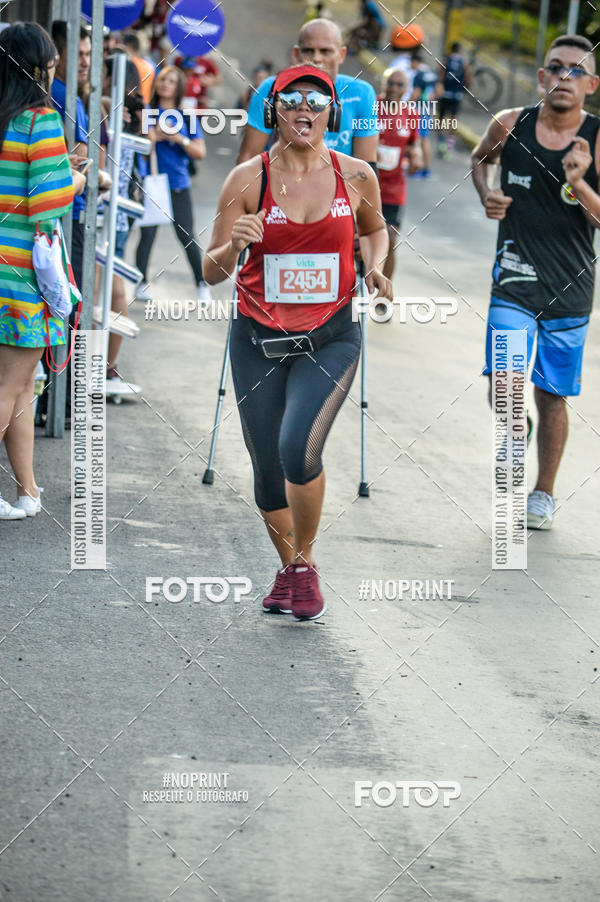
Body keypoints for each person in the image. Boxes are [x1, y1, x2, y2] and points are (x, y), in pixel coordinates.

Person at [203, 65, 392, 620]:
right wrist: (233, 245)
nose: (303, 109)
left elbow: (375, 229)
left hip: (331, 336)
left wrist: (376, 267)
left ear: (331, 112)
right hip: (258, 339)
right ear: (274, 111)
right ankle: (291, 570)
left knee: (297, 448)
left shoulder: (356, 174)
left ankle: (304, 566)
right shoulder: (247, 178)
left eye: (316, 100)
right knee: (265, 465)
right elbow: (213, 271)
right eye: (291, 100)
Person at [471, 34, 600, 530]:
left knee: (551, 396)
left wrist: (581, 181)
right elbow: (481, 159)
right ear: (542, 76)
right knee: (503, 386)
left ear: (591, 84)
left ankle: (542, 494)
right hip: (514, 281)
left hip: (571, 289)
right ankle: (512, 425)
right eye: (556, 68)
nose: (564, 77)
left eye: (575, 70)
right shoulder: (511, 124)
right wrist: (488, 194)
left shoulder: (596, 140)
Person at [0, 22, 84, 519]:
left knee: (21, 385)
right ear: (37, 68)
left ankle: (28, 490)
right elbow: (46, 204)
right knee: (13, 385)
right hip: (23, 276)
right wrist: (75, 176)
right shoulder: (39, 120)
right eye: (52, 63)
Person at [237, 19, 378, 165]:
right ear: (297, 53)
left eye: (325, 51)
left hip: (339, 186)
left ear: (341, 55)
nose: (317, 58)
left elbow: (366, 166)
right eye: (308, 51)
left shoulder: (361, 94)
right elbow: (248, 158)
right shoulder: (270, 89)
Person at [134, 66, 211, 304]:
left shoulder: (186, 116)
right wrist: (153, 136)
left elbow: (200, 152)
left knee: (187, 236)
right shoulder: (147, 112)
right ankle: (141, 283)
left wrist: (180, 138)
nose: (166, 84)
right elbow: (136, 145)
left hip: (178, 184)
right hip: (152, 181)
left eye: (171, 81)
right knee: (147, 235)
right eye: (163, 79)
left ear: (178, 87)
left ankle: (201, 284)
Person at [376, 69, 421, 278]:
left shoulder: (410, 113)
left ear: (406, 89)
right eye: (391, 83)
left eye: (400, 84)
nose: (394, 88)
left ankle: (384, 293)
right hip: (366, 185)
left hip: (393, 188)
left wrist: (416, 155)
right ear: (383, 84)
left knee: (390, 239)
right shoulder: (371, 106)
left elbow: (415, 143)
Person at [437, 41, 471, 158]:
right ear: (459, 50)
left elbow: (440, 76)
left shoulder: (445, 60)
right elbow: (468, 77)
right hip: (456, 95)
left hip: (445, 94)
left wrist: (439, 88)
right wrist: (464, 89)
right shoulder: (464, 63)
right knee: (453, 119)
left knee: (441, 119)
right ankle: (449, 147)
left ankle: (441, 143)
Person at [409, 49, 438, 177]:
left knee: (419, 140)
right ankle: (427, 168)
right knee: (425, 139)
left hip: (419, 111)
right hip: (429, 110)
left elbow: (416, 93)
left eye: (411, 63)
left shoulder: (418, 75)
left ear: (415, 62)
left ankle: (419, 168)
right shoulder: (431, 73)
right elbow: (439, 91)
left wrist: (405, 105)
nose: (410, 66)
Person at [122, 31, 155, 105]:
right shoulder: (149, 65)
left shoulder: (129, 64)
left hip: (132, 106)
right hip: (145, 107)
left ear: (128, 46)